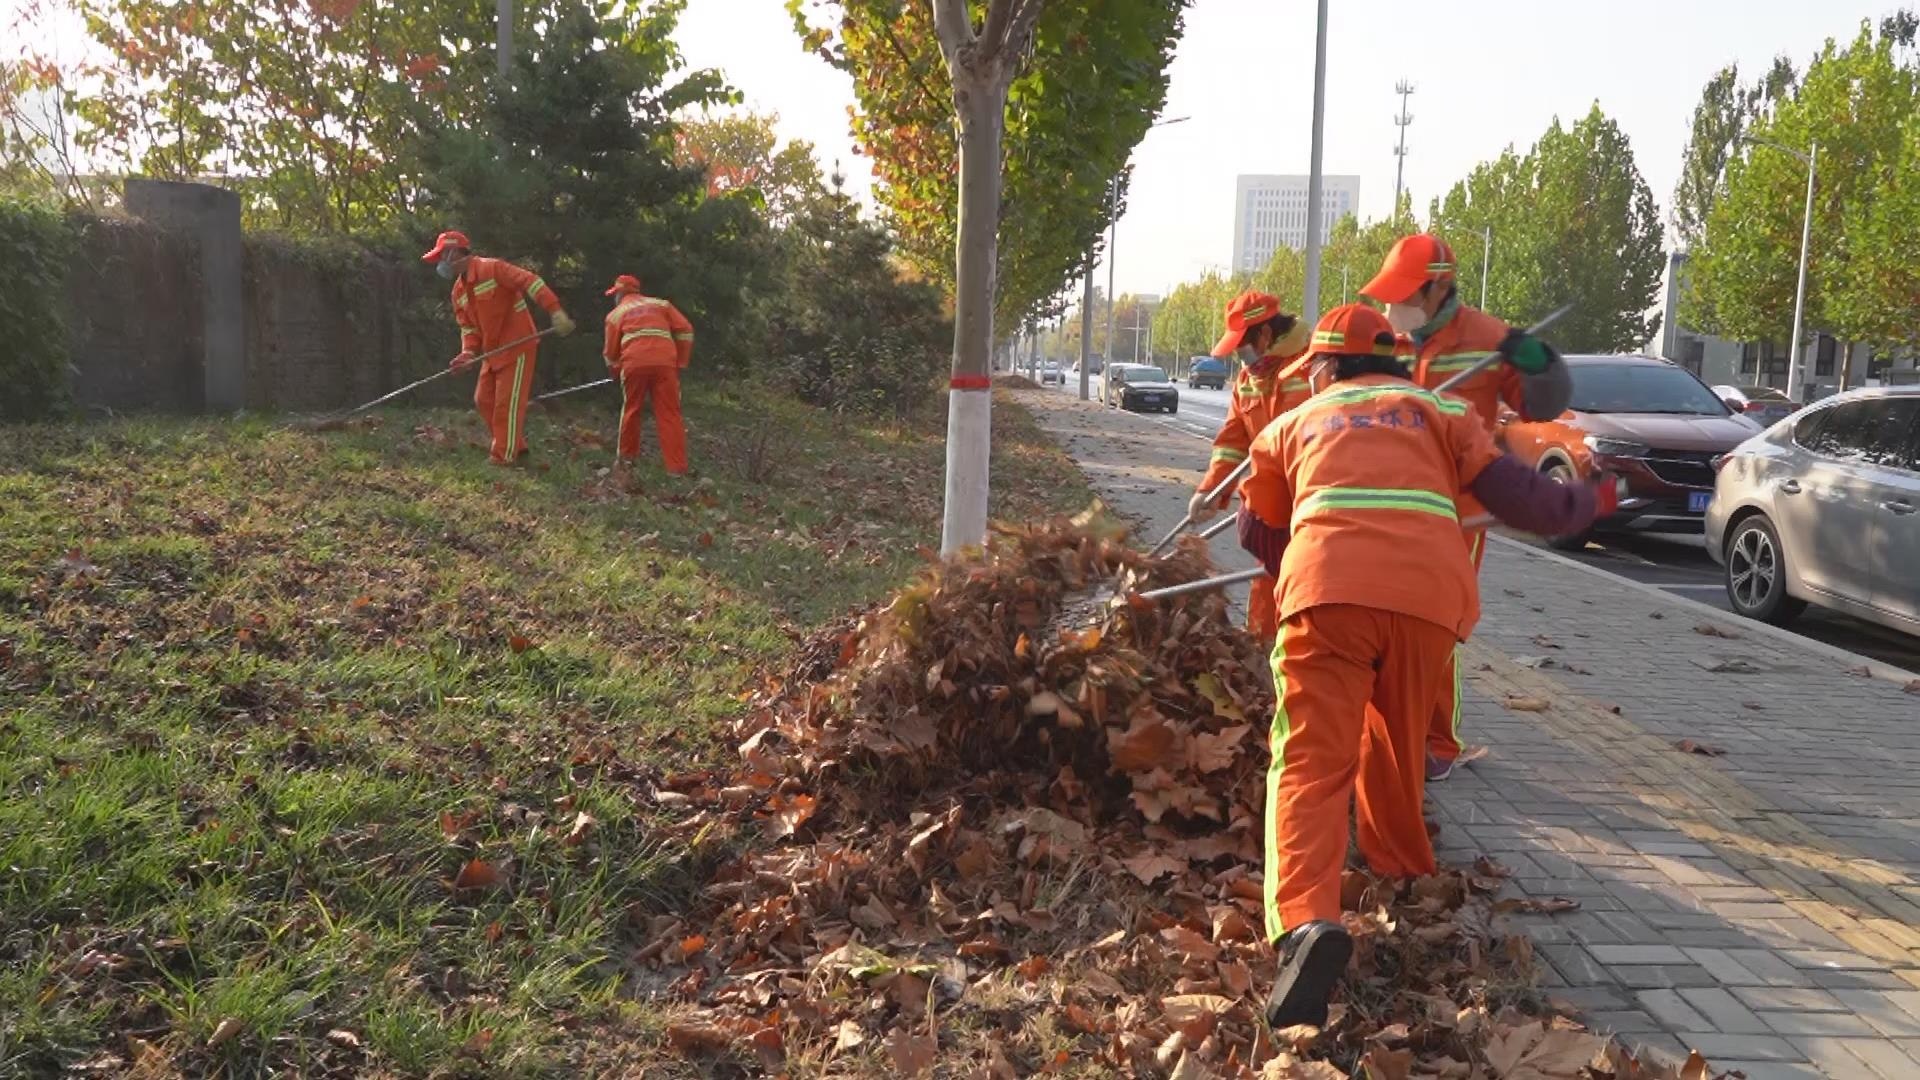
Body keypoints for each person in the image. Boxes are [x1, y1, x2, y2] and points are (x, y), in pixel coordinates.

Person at [1236, 303, 1615, 1029]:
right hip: (1426, 603)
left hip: (1328, 596)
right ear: (1393, 362)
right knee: (1396, 743)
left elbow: (1260, 529)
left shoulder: (1293, 423)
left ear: (1322, 367)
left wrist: (1310, 574)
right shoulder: (1438, 412)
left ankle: (1304, 925)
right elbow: (1519, 496)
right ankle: (1400, 870)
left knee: (1311, 761)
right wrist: (1585, 502)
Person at [1358, 233, 1572, 781]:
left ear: (1438, 289)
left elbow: (1541, 405)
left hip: (1458, 509)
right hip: (1390, 499)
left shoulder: (1488, 338)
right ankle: (1381, 725)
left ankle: (1436, 742)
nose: (1393, 306)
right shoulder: (1387, 337)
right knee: (1382, 614)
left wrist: (1538, 364)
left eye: (1404, 294)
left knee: (1435, 624)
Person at [1185, 290, 1313, 643]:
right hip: (1271, 517)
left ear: (1265, 335)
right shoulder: (1248, 382)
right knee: (1264, 612)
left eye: (1243, 347)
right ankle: (1263, 674)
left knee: (1307, 609)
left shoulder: (1316, 367)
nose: (1242, 359)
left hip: (1312, 512)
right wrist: (1209, 492)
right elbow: (1232, 445)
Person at [421, 230, 575, 466]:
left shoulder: (492, 269)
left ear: (454, 253)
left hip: (518, 344)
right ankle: (517, 447)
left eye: (441, 257)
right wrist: (467, 353)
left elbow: (530, 281)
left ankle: (503, 456)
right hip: (492, 353)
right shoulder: (458, 293)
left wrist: (555, 311)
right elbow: (469, 329)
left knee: (507, 403)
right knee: (484, 400)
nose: (441, 264)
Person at [601, 274, 695, 475]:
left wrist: (615, 372)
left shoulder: (615, 315)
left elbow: (610, 354)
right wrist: (681, 362)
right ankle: (677, 468)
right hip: (664, 364)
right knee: (670, 413)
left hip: (634, 365)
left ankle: (626, 462)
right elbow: (686, 329)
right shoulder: (661, 305)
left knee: (632, 409)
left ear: (619, 294)